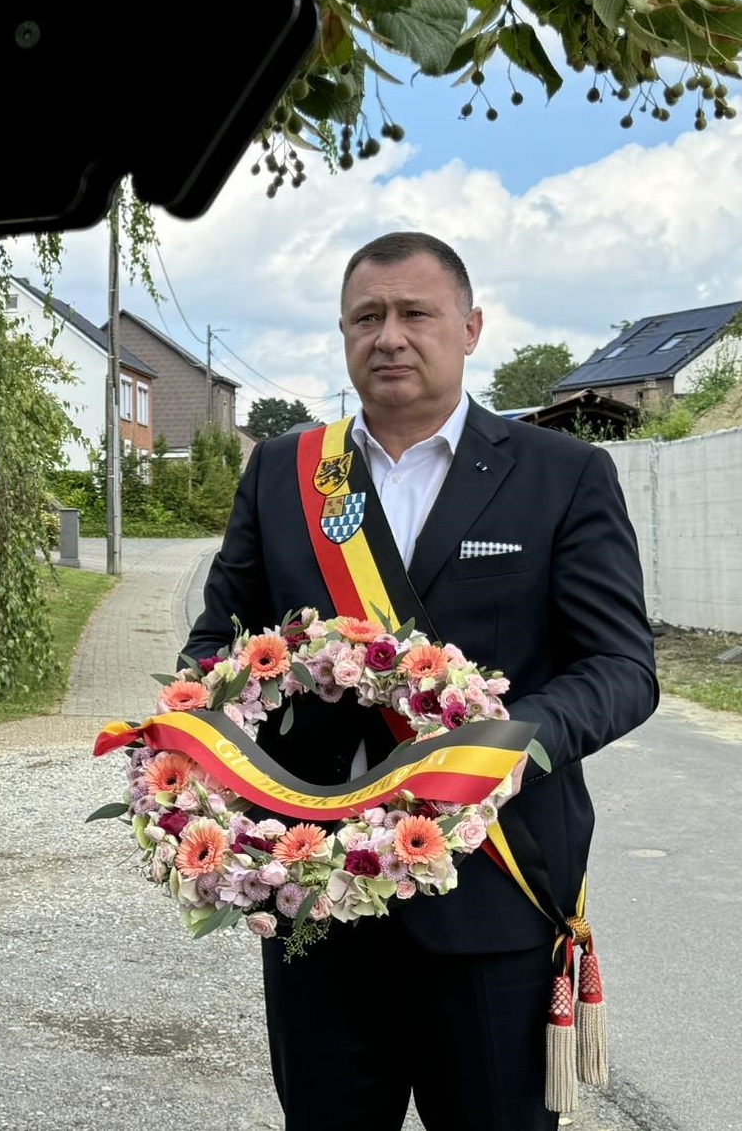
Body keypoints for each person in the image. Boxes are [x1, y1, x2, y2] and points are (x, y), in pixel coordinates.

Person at [182, 231, 657, 1131]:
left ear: (471, 328)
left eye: (415, 314)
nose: (389, 336)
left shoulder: (561, 475)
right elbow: (218, 645)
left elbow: (623, 668)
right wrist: (199, 740)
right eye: (367, 317)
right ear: (343, 334)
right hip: (314, 892)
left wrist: (510, 744)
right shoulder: (287, 474)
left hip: (494, 895)